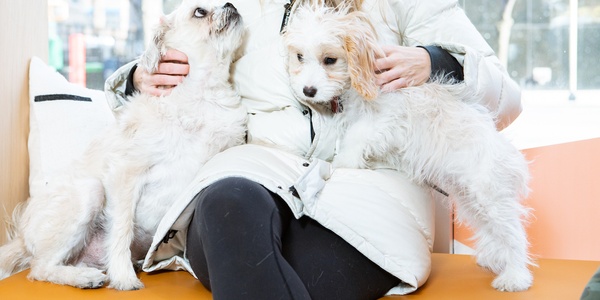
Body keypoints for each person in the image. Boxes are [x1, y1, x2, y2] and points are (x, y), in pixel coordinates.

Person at [105, 0, 522, 299]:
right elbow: (154, 87)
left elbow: (507, 100)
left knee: (267, 270)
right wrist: (138, 78)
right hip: (252, 182)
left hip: (371, 196)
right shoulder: (232, 9)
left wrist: (433, 62)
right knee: (226, 204)